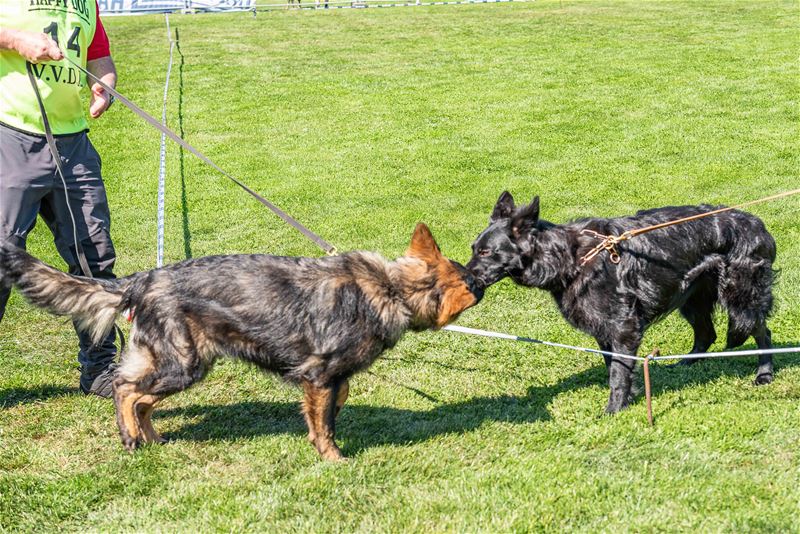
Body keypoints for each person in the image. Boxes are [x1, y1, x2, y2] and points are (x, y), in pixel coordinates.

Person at [0, 0, 119, 397]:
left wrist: (105, 83)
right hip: (11, 136)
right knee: (2, 255)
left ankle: (101, 368)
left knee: (95, 258)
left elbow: (98, 52)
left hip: (74, 145)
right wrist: (15, 40)